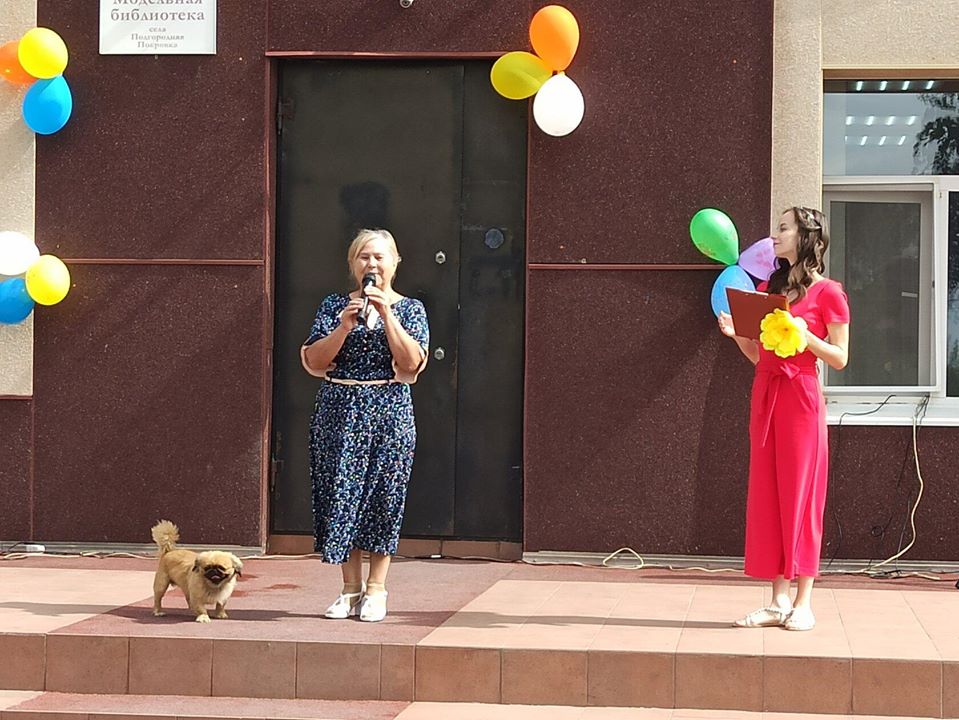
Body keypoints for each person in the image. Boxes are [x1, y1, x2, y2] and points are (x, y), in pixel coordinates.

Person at [718, 206, 850, 631]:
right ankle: (777, 600)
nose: (774, 236)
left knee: (802, 495)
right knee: (769, 495)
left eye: (783, 228)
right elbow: (760, 357)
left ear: (806, 236)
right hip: (766, 394)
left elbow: (841, 358)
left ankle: (803, 600)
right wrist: (736, 334)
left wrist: (806, 335)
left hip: (801, 398)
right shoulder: (768, 291)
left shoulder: (829, 293)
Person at [300, 228, 429, 622]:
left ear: (395, 262)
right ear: (353, 264)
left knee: (383, 496)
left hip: (388, 410)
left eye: (379, 257)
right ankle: (349, 588)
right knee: (341, 493)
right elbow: (314, 360)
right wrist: (343, 327)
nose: (371, 264)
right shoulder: (334, 306)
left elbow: (411, 362)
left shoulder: (411, 309)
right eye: (363, 257)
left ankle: (376, 589)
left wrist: (386, 315)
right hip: (338, 409)